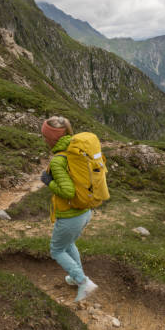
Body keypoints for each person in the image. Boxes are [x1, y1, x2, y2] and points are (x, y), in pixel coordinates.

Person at [40, 116, 98, 302]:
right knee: (69, 244)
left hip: (70, 216)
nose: (44, 140)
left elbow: (67, 191)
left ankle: (83, 282)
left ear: (52, 138)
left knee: (56, 250)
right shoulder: (76, 152)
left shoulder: (58, 160)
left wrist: (49, 182)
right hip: (84, 212)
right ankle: (75, 278)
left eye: (45, 136)